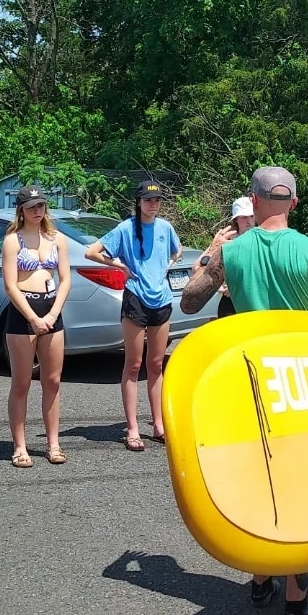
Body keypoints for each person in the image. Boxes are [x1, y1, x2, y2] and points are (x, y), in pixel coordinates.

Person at [181, 166, 308, 615]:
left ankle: (259, 579)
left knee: (259, 483)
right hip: (302, 391)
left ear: (252, 201)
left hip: (248, 388)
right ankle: (297, 606)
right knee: (300, 496)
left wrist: (214, 251)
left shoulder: (231, 253)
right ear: (294, 203)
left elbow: (189, 301)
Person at [84, 181, 182, 451]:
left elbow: (177, 251)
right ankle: (133, 428)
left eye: (157, 200)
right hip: (136, 299)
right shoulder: (125, 228)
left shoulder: (165, 228)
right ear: (138, 202)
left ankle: (159, 425)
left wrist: (168, 266)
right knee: (134, 364)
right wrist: (119, 265)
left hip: (161, 300)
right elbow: (91, 252)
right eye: (148, 200)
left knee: (156, 365)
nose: (153, 204)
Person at [0, 185, 72, 467]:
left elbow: (65, 279)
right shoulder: (12, 241)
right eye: (31, 207)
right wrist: (32, 317)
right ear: (21, 210)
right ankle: (20, 446)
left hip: (51, 309)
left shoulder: (57, 239)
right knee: (21, 382)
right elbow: (9, 284)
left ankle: (53, 443)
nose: (36, 211)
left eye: (40, 205)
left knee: (52, 381)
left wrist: (53, 314)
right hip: (22, 313)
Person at [214, 196, 254, 318]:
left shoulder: (262, 240)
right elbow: (204, 269)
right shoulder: (226, 242)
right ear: (236, 219)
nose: (249, 221)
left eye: (251, 216)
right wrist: (220, 288)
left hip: (254, 302)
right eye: (244, 217)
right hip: (230, 304)